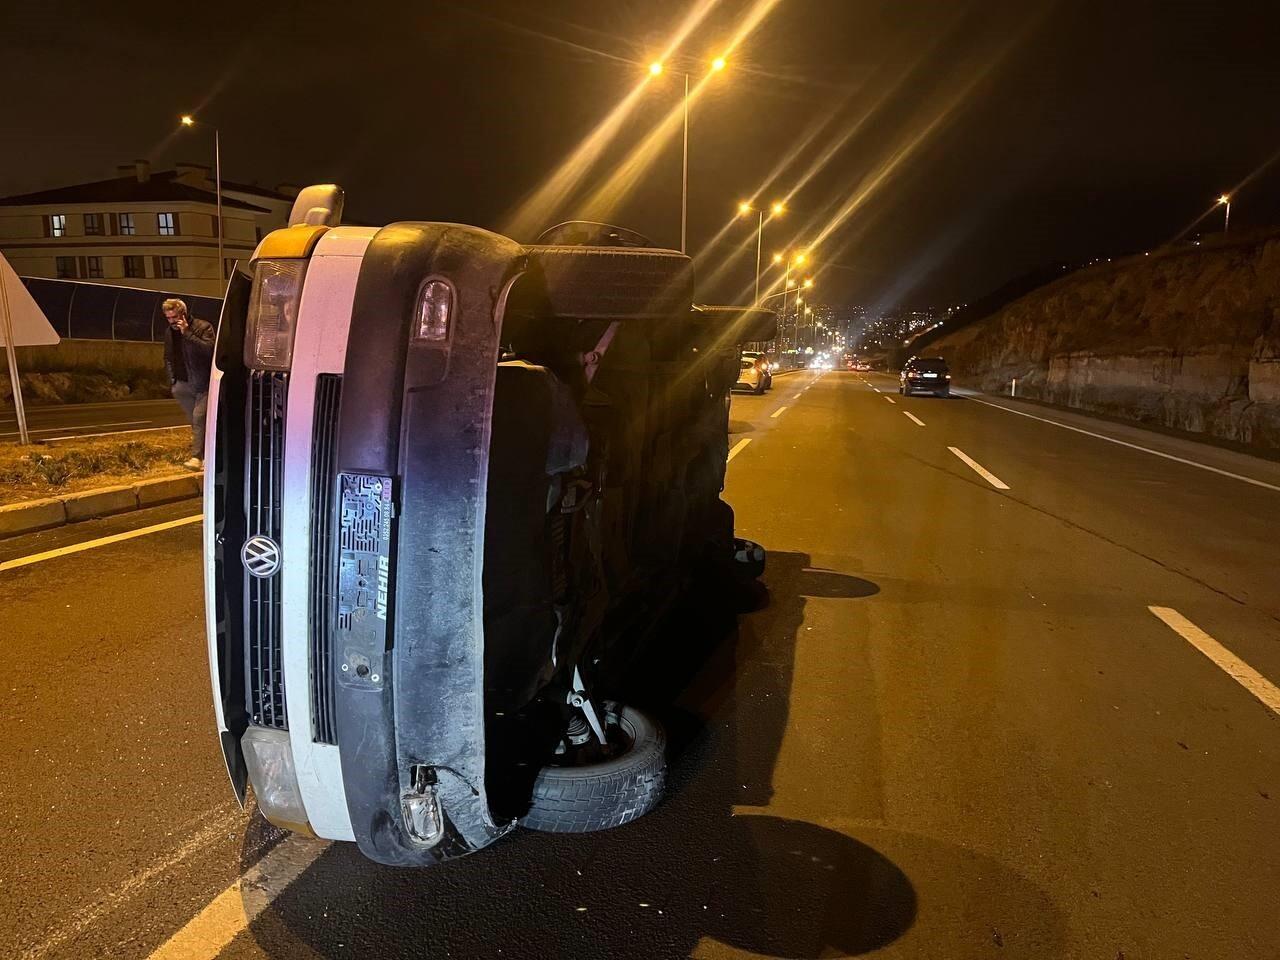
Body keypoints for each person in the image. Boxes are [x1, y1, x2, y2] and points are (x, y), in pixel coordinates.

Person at [162, 298, 216, 470]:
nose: (172, 321)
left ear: (183, 314)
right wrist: (173, 381)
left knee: (199, 418)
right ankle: (210, 456)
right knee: (197, 422)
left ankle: (196, 458)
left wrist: (188, 334)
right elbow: (168, 357)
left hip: (203, 383)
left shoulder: (203, 327)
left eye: (175, 317)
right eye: (168, 318)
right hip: (182, 385)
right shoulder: (169, 332)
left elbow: (209, 350)